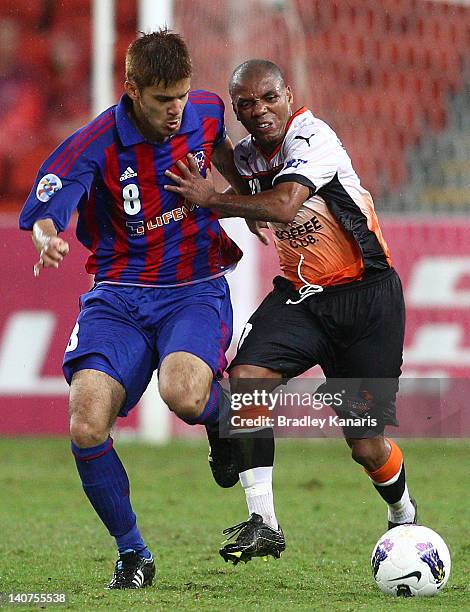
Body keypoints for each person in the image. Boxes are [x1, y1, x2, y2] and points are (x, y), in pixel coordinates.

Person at [164, 59, 418, 565]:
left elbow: (282, 206)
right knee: (246, 378)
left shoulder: (314, 138)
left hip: (366, 299)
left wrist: (215, 200)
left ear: (289, 95)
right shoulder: (246, 154)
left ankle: (404, 517)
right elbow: (221, 156)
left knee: (367, 446)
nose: (259, 111)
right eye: (246, 105)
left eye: (268, 99)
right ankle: (265, 523)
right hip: (300, 297)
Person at [19, 29, 246, 589]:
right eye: (163, 99)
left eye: (182, 97)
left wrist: (243, 199)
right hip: (118, 296)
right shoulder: (94, 142)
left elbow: (217, 142)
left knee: (184, 394)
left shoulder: (207, 110)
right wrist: (46, 238)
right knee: (85, 422)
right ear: (133, 90)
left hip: (193, 287)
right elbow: (50, 205)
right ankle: (133, 553)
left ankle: (223, 422)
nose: (176, 111)